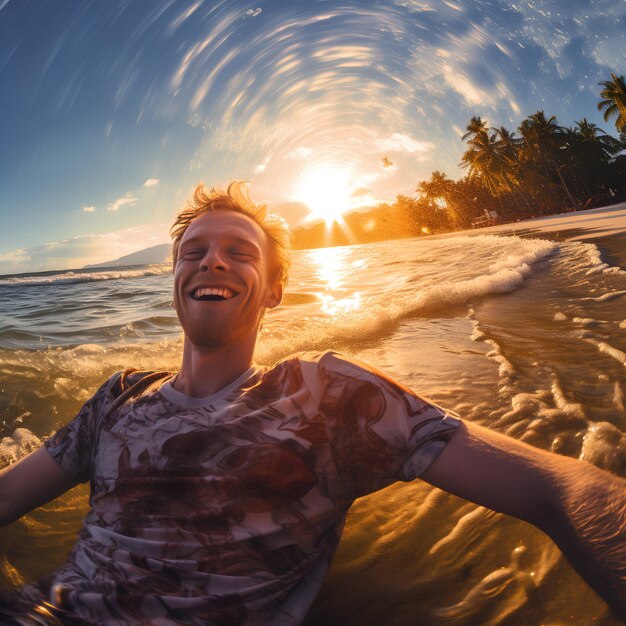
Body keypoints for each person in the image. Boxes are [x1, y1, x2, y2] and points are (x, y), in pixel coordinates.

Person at [0, 182, 624, 625]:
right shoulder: (118, 395)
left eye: (239, 252)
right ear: (176, 283)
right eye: (193, 252)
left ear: (274, 290)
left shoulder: (324, 395)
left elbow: (561, 490)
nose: (210, 258)